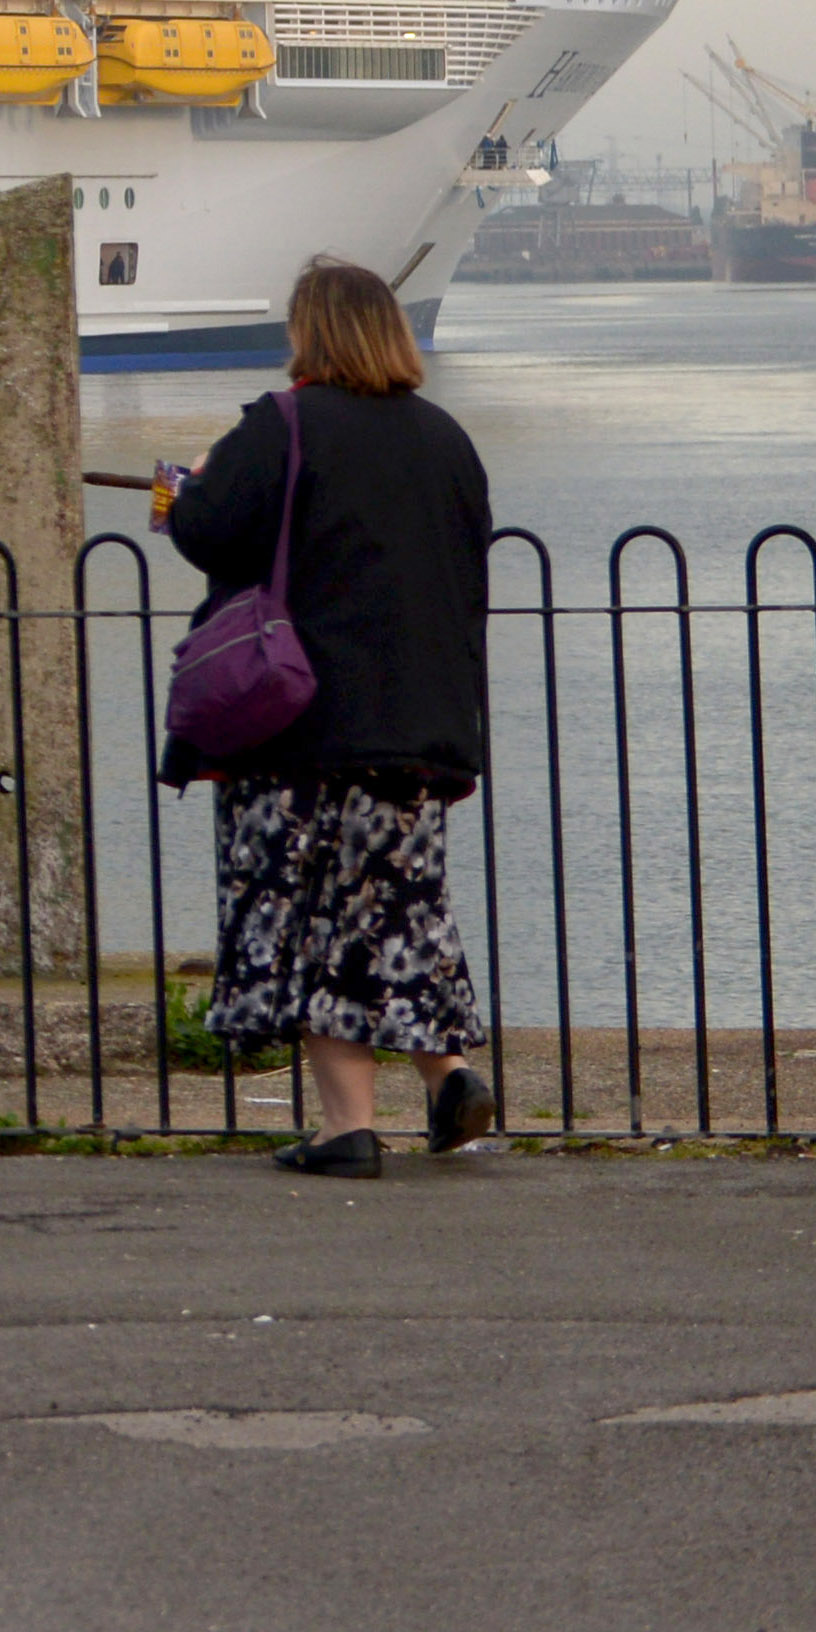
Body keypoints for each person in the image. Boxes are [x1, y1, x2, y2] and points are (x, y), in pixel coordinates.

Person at [163, 257, 497, 1174]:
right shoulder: (447, 440)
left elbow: (205, 529)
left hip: (298, 729)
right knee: (400, 909)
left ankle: (346, 1127)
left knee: (309, 918)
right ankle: (448, 1074)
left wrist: (178, 490)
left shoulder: (282, 425)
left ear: (311, 334)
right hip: (419, 732)